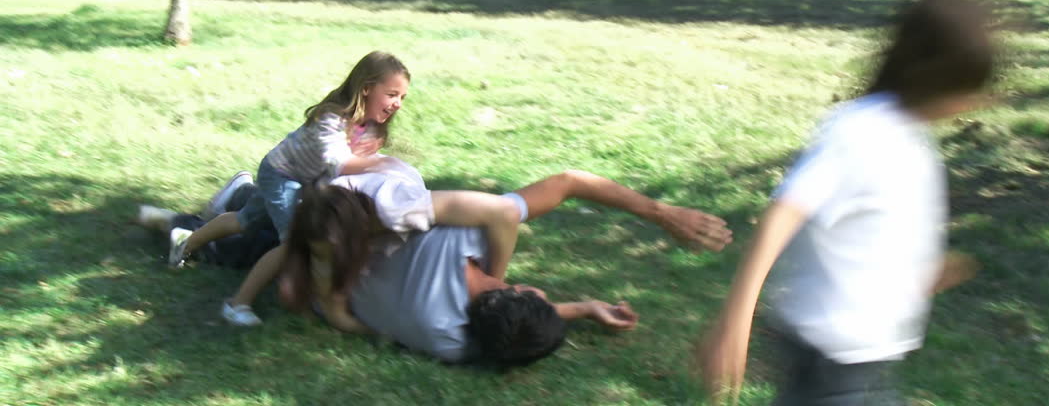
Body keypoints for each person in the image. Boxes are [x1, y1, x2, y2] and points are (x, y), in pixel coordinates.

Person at [697, 0, 996, 405]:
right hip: (831, 357)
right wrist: (735, 321)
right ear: (936, 77)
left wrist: (916, 274)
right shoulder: (860, 132)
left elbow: (868, 228)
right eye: (967, 87)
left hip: (865, 356)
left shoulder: (906, 133)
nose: (974, 101)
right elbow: (782, 214)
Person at [143, 162, 733, 364]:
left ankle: (208, 218)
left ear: (517, 290)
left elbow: (569, 182)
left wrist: (663, 214)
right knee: (268, 235)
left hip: (323, 231)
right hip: (340, 225)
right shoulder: (449, 342)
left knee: (260, 238)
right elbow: (495, 334)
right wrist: (577, 311)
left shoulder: (466, 235)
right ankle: (213, 215)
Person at [169, 51, 522, 327]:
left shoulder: (368, 125)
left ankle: (186, 242)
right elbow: (338, 163)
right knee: (292, 242)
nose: (397, 103)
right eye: (392, 94)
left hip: (302, 177)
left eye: (402, 97)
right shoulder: (332, 118)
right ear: (366, 88)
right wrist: (380, 164)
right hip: (281, 174)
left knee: (244, 220)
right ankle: (237, 303)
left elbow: (347, 167)